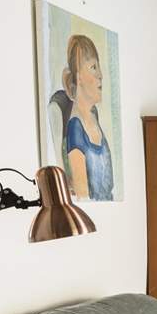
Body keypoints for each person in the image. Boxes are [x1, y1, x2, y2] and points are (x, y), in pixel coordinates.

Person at [50, 35, 114, 201]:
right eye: (93, 67)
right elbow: (83, 197)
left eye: (98, 67)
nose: (100, 75)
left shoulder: (95, 120)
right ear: (78, 77)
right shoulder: (75, 128)